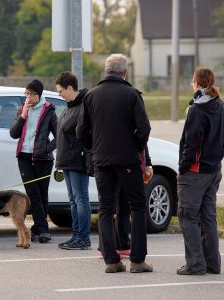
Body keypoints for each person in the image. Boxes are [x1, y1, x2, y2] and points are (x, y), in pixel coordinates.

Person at [76, 53, 153, 273]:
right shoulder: (131, 94)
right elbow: (144, 128)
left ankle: (111, 260)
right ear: (124, 72)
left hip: (101, 161)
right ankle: (137, 261)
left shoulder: (91, 96)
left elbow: (81, 131)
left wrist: (95, 147)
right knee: (137, 207)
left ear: (106, 70)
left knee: (105, 209)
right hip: (127, 160)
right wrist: (136, 147)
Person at [176, 67, 224, 275]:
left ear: (197, 83)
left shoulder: (197, 109)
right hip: (213, 169)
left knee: (187, 216)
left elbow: (192, 144)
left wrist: (183, 167)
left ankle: (196, 264)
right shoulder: (220, 105)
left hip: (195, 172)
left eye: (192, 81)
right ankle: (212, 263)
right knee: (208, 217)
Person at [10, 79, 57, 243]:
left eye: (31, 94)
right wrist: (23, 116)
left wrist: (45, 148)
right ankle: (43, 229)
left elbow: (59, 137)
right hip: (23, 157)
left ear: (39, 94)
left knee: (42, 194)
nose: (28, 97)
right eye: (26, 93)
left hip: (43, 159)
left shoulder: (49, 110)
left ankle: (39, 229)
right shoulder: (23, 109)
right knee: (33, 192)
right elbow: (13, 134)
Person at [55, 71, 93, 250]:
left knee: (80, 199)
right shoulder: (69, 106)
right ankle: (76, 235)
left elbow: (86, 137)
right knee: (73, 200)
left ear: (70, 88)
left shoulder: (83, 106)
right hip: (67, 161)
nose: (59, 94)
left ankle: (83, 238)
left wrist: (88, 161)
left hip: (77, 161)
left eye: (61, 91)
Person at [98, 146, 154, 259]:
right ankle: (107, 248)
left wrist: (147, 162)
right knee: (108, 208)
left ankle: (123, 245)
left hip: (128, 162)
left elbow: (143, 139)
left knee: (124, 205)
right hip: (116, 161)